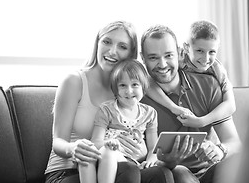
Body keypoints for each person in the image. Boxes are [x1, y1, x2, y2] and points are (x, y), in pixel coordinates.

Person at [44, 21, 171, 183]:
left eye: (122, 47)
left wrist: (141, 152)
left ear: (130, 54)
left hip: (119, 167)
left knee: (161, 174)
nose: (112, 51)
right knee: (128, 171)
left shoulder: (129, 91)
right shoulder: (74, 81)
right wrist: (73, 148)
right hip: (68, 171)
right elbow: (58, 142)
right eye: (107, 41)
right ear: (97, 43)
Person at [140, 25, 241, 183]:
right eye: (153, 58)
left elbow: (234, 142)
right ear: (142, 58)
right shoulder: (136, 97)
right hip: (169, 174)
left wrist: (220, 150)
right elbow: (143, 161)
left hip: (209, 170)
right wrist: (169, 161)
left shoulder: (209, 85)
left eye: (168, 55)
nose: (162, 64)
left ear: (180, 53)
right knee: (180, 173)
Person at [79, 59, 159, 183]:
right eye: (122, 85)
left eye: (135, 84)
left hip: (135, 162)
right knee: (108, 152)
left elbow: (153, 146)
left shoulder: (150, 113)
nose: (129, 91)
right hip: (110, 158)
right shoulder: (107, 109)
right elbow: (96, 140)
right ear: (115, 89)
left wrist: (150, 159)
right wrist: (108, 144)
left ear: (143, 86)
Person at [146, 20, 236, 128]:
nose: (205, 59)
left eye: (212, 52)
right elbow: (148, 80)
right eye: (199, 51)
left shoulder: (217, 70)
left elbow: (230, 105)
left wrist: (201, 122)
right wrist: (173, 107)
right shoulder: (179, 59)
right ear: (186, 48)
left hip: (206, 115)